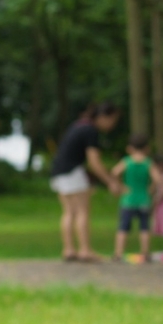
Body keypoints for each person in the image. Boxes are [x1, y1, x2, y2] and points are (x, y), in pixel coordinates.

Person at [50, 103, 121, 262]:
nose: (113, 125)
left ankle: (69, 250)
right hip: (73, 171)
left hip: (58, 171)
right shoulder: (90, 130)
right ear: (103, 117)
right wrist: (110, 181)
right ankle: (85, 250)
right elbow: (94, 162)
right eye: (113, 120)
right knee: (82, 211)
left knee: (69, 212)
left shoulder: (78, 125)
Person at [113, 133, 154, 261]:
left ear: (130, 148)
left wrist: (120, 186)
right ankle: (145, 253)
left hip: (128, 200)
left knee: (123, 227)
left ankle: (118, 253)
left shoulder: (127, 161)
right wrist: (150, 189)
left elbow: (115, 172)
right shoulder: (148, 163)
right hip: (144, 199)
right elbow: (159, 180)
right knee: (144, 227)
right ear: (147, 148)